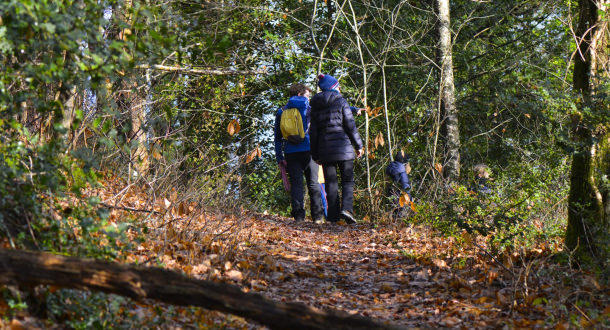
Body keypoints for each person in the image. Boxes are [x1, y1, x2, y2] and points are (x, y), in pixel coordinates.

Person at [309, 73, 364, 224]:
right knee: (347, 181)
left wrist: (315, 154)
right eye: (338, 85)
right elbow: (350, 126)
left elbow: (313, 132)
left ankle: (333, 217)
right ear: (333, 87)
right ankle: (346, 209)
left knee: (331, 183)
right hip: (344, 148)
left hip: (325, 151)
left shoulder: (315, 106)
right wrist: (358, 145)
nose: (340, 88)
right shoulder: (341, 101)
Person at [274, 83, 324, 222]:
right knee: (313, 183)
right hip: (310, 150)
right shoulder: (310, 109)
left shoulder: (281, 111)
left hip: (291, 152)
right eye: (307, 95)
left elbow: (278, 137)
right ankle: (317, 217)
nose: (309, 98)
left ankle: (299, 216)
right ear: (300, 94)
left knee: (296, 184)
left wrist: (280, 156)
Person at [386, 150, 412, 219]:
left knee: (394, 213)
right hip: (401, 197)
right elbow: (405, 186)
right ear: (405, 162)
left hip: (390, 195)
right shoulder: (402, 171)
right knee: (401, 216)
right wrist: (410, 198)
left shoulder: (390, 167)